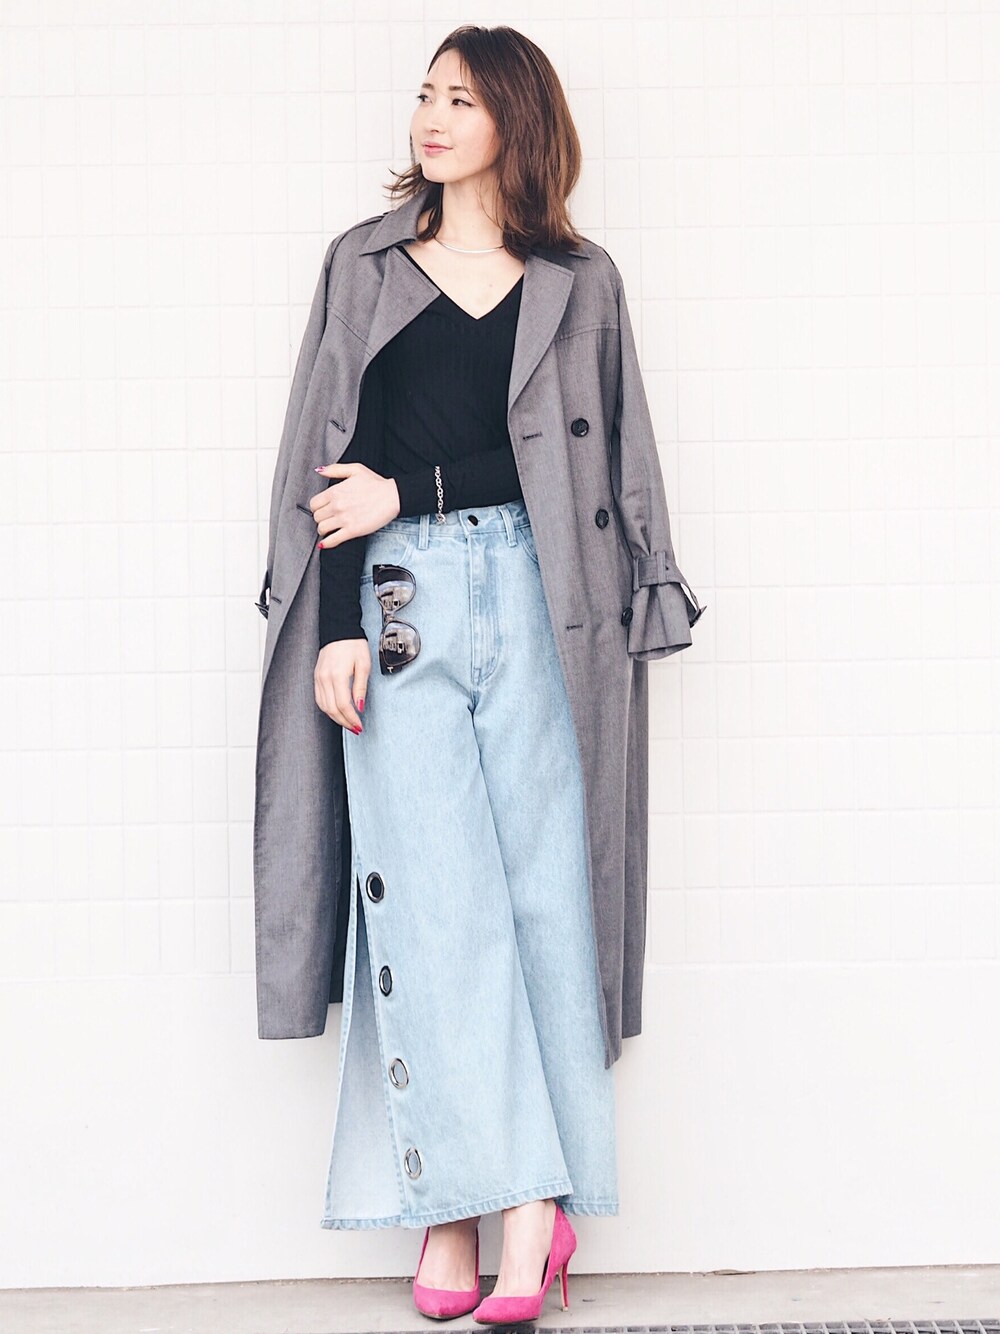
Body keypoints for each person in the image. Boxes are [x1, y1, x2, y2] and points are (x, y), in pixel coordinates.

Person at [260, 21, 703, 1327]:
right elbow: (335, 456)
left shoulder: (579, 279)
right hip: (399, 602)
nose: (433, 117)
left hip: (545, 594)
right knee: (432, 910)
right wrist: (337, 620)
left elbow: (591, 463)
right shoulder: (363, 265)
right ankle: (461, 1210)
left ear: (517, 117)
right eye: (426, 95)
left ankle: (519, 1216)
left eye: (461, 97)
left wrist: (422, 489)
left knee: (543, 905)